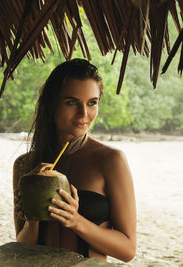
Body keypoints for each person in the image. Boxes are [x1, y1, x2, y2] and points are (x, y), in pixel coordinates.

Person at [13, 58, 136, 262]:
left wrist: (76, 221)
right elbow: (23, 246)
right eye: (71, 102)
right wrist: (32, 221)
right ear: (51, 105)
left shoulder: (111, 160)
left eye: (92, 103)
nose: (84, 114)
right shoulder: (25, 165)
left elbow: (128, 250)